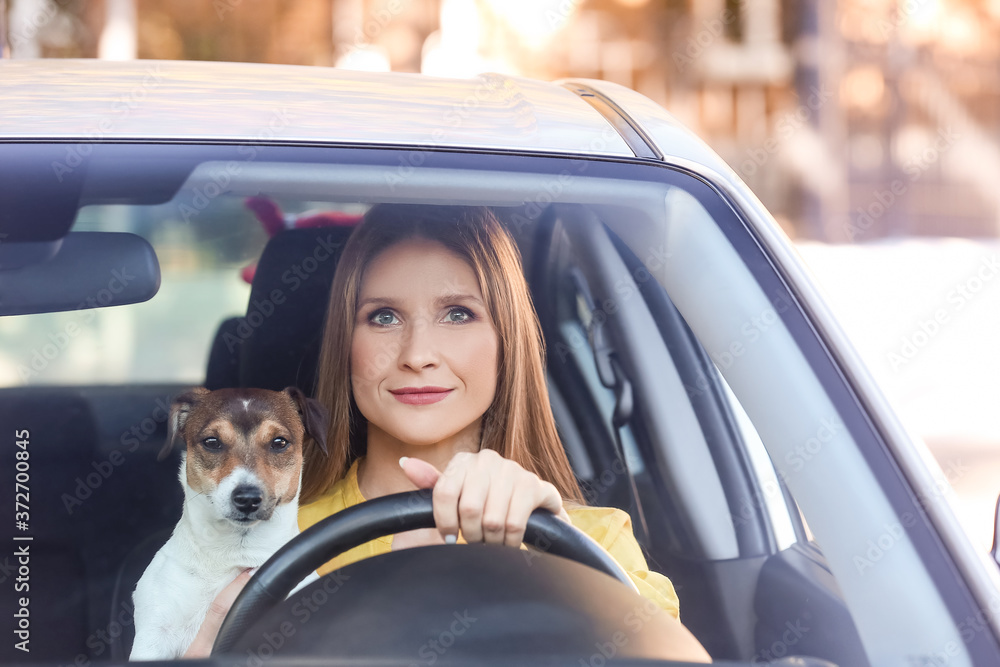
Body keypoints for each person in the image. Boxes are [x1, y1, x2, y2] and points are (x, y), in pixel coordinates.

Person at [185, 204, 709, 662]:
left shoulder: (593, 542)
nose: (417, 355)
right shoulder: (264, 540)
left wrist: (543, 555)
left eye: (458, 313)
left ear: (508, 341)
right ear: (347, 343)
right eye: (383, 317)